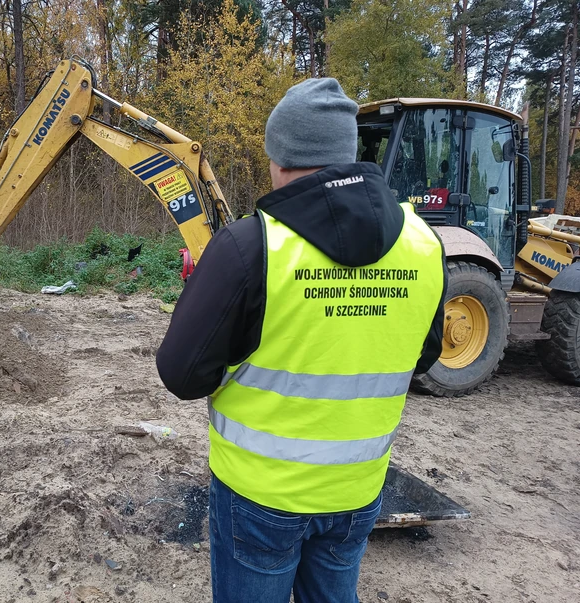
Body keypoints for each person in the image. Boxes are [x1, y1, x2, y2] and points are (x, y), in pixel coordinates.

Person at [156, 78, 447, 603]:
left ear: (281, 155)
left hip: (260, 495)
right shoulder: (425, 244)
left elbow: (181, 374)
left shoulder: (251, 246)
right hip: (357, 491)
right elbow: (422, 355)